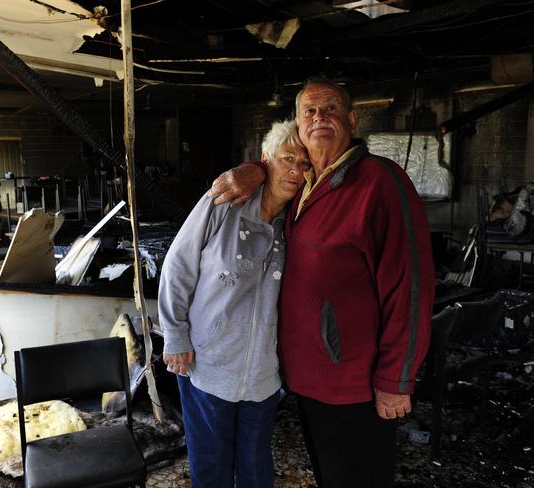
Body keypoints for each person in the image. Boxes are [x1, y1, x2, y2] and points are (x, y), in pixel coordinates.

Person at [209, 77, 435, 488]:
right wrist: (255, 169)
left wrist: (395, 380)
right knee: (329, 475)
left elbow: (410, 288)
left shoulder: (380, 182)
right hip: (304, 376)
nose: (320, 117)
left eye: (330, 109)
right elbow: (276, 166)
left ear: (351, 119)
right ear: (297, 126)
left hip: (354, 382)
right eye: (309, 111)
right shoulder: (301, 184)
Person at [158, 120, 310, 488]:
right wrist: (175, 335)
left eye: (304, 163)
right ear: (265, 159)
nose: (294, 170)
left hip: (262, 373)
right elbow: (178, 265)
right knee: (211, 469)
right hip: (208, 363)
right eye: (286, 158)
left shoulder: (297, 222)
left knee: (256, 470)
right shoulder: (225, 202)